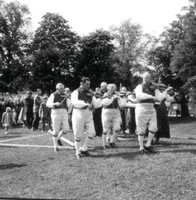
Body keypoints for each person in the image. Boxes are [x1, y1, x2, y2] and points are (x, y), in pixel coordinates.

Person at [134, 72, 170, 153]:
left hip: (151, 108)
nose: (146, 79)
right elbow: (139, 95)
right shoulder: (139, 86)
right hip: (141, 108)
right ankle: (141, 147)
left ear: (150, 78)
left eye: (147, 77)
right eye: (144, 77)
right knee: (141, 129)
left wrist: (165, 91)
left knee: (153, 127)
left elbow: (159, 98)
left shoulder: (154, 88)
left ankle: (148, 145)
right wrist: (150, 96)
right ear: (142, 78)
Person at [71, 77, 102, 159]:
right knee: (78, 133)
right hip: (78, 112)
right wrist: (85, 104)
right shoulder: (76, 92)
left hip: (88, 113)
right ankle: (77, 152)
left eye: (89, 84)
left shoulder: (91, 92)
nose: (89, 86)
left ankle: (84, 149)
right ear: (82, 83)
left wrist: (101, 98)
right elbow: (74, 102)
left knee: (92, 133)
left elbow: (96, 104)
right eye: (87, 84)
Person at [47, 83, 71, 152]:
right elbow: (48, 104)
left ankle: (58, 139)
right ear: (57, 89)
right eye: (62, 88)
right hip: (55, 112)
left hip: (64, 112)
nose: (63, 89)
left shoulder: (65, 95)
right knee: (56, 130)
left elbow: (69, 104)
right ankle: (55, 147)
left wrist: (70, 98)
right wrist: (54, 104)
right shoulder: (53, 94)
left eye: (63, 88)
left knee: (66, 129)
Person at [101, 84, 123, 149]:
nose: (114, 89)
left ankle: (112, 141)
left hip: (115, 112)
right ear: (108, 88)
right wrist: (112, 98)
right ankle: (104, 144)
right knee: (105, 129)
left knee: (117, 128)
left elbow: (121, 104)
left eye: (115, 87)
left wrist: (119, 99)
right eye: (112, 87)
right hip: (106, 112)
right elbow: (105, 103)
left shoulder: (117, 95)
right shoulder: (105, 94)